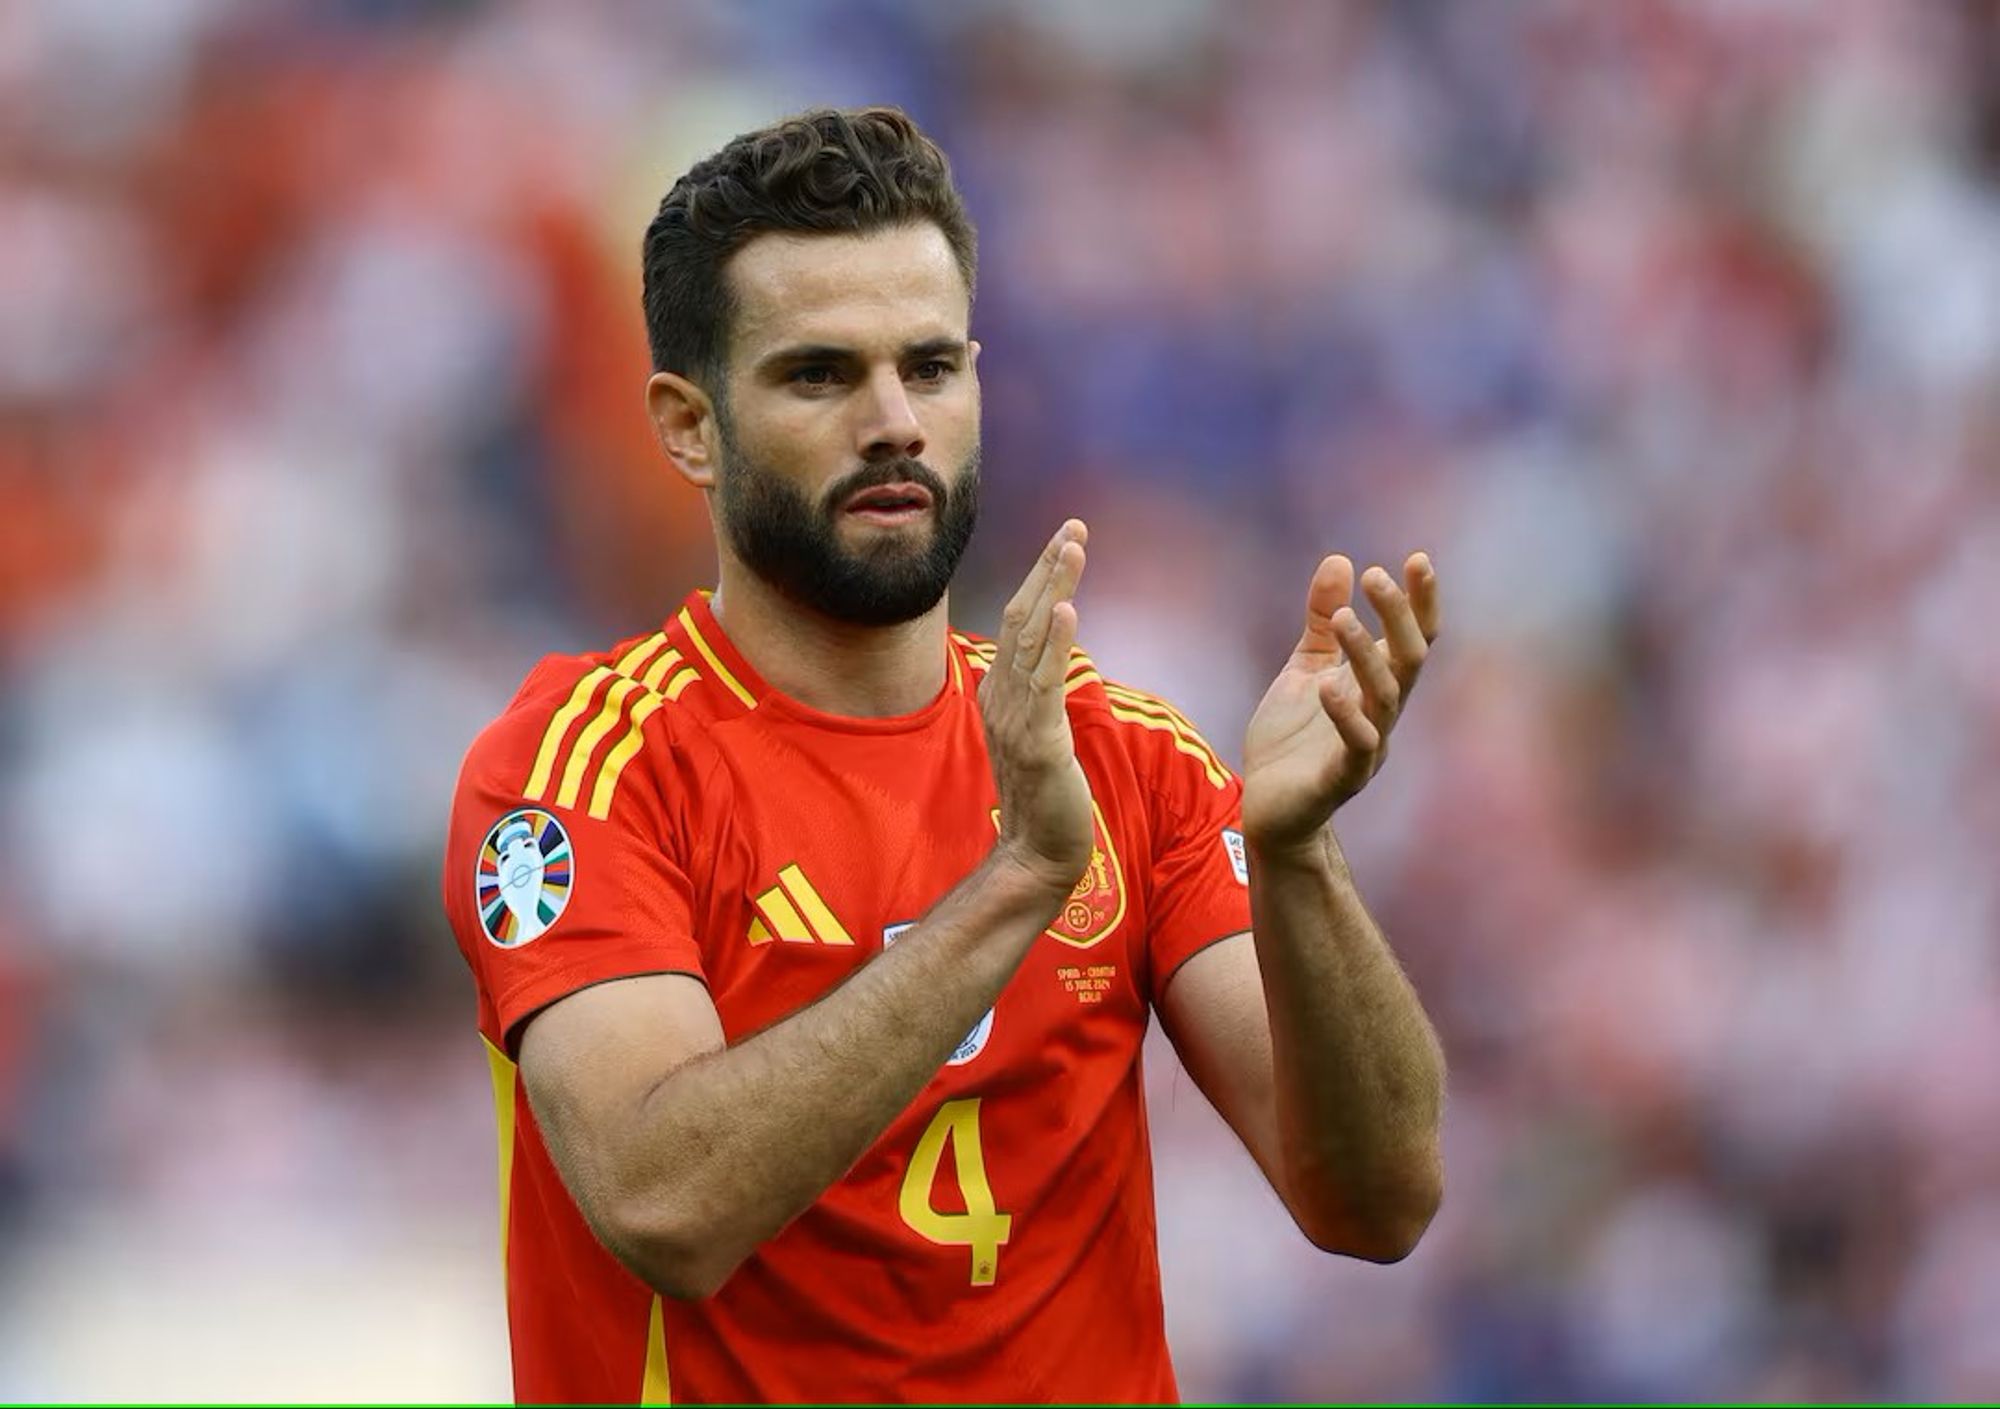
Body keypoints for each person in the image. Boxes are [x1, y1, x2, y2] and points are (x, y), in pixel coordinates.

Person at [442, 106, 1446, 1405]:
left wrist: (1297, 851)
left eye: (930, 366)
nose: (894, 420)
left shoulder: (1124, 755)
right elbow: (665, 1198)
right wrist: (1018, 879)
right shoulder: (583, 771)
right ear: (690, 426)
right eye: (819, 374)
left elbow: (1379, 1199)